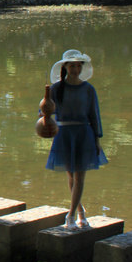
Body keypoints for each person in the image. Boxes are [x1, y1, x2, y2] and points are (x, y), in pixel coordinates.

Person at [45, 49, 108, 229]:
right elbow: (45, 112)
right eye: (72, 65)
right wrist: (45, 119)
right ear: (65, 67)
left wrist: (97, 139)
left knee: (80, 176)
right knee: (71, 176)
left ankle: (70, 216)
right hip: (64, 134)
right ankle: (80, 211)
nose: (76, 69)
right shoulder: (56, 88)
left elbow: (94, 115)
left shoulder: (88, 89)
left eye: (79, 66)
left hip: (84, 134)